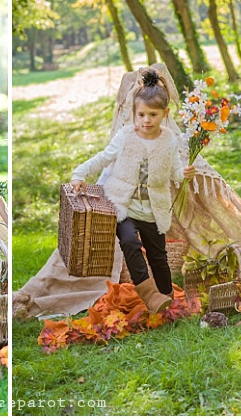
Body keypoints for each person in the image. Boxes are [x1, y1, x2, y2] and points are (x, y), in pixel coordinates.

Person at [70, 67, 195, 314]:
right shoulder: (126, 136)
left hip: (153, 210)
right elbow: (103, 157)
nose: (146, 120)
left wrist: (184, 175)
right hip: (123, 206)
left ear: (165, 114)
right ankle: (148, 294)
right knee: (129, 241)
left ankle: (166, 299)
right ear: (133, 113)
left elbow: (174, 171)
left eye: (153, 114)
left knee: (159, 258)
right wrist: (79, 173)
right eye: (141, 114)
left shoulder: (168, 140)